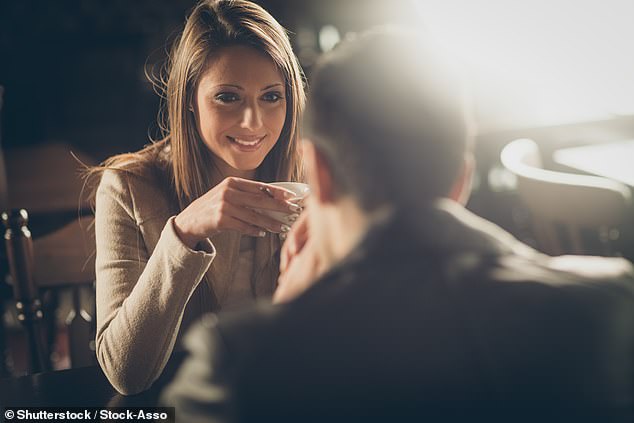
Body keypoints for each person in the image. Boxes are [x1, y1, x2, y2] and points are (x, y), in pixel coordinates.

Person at [160, 27, 634, 422]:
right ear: (461, 179)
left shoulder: (239, 367)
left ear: (318, 174)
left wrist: (288, 316)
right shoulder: (613, 304)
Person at [88, 0, 306, 395]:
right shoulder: (128, 187)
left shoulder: (311, 176)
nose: (253, 122)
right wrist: (184, 233)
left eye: (272, 97)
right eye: (228, 97)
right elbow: (125, 373)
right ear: (189, 99)